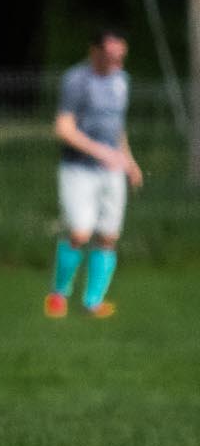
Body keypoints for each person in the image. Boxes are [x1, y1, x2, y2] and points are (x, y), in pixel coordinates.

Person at [48, 29, 141, 319]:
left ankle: (93, 302)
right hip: (79, 169)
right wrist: (99, 151)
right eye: (111, 55)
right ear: (95, 52)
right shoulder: (77, 80)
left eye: (121, 56)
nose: (116, 61)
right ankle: (58, 294)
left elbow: (117, 127)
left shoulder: (122, 82)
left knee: (109, 235)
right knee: (79, 232)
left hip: (112, 170)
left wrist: (129, 160)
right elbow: (63, 128)